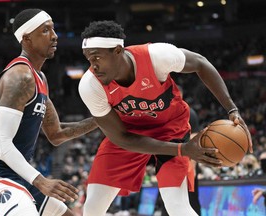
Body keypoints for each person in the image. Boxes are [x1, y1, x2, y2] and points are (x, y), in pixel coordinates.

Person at [78, 20, 252, 216]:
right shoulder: (90, 85)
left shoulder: (156, 56)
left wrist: (232, 110)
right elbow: (121, 138)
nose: (93, 66)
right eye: (88, 59)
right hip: (129, 135)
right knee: (91, 208)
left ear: (118, 51)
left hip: (170, 128)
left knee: (177, 206)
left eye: (97, 57)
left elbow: (201, 64)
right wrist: (181, 150)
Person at [0, 8, 97, 216]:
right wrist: (41, 181)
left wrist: (103, 119)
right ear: (27, 39)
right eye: (45, 31)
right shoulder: (20, 76)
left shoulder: (39, 78)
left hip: (17, 171)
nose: (54, 36)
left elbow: (57, 134)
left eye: (53, 30)